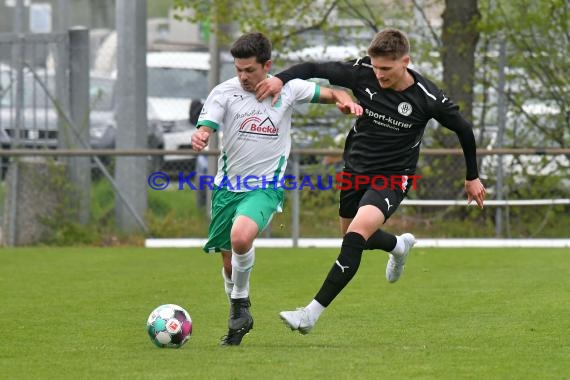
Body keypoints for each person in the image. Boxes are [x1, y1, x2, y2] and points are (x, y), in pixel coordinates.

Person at [255, 28, 486, 334]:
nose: (379, 74)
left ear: (405, 61)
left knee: (354, 238)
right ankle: (398, 246)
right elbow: (313, 68)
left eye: (386, 69)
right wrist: (280, 78)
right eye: (376, 67)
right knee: (353, 236)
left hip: (392, 177)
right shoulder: (362, 72)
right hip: (355, 171)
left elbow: (464, 130)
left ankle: (310, 314)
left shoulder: (428, 97)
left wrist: (472, 176)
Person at [191, 32, 362, 346]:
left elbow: (333, 93)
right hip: (227, 189)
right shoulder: (224, 93)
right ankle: (238, 314)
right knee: (229, 263)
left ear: (267, 65)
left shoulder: (289, 89)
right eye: (238, 69)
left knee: (241, 236)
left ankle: (240, 305)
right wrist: (201, 135)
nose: (242, 76)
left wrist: (346, 101)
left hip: (265, 187)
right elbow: (207, 124)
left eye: (250, 70)